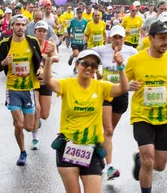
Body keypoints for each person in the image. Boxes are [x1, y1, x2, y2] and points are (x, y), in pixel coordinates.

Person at [43, 45, 129, 193]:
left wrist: (121, 67)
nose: (89, 68)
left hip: (92, 149)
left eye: (94, 65)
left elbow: (123, 88)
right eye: (85, 63)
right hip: (68, 146)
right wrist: (49, 59)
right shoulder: (67, 84)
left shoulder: (101, 86)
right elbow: (48, 81)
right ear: (77, 64)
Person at [127, 21, 167, 193]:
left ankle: (138, 159)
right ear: (150, 38)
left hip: (164, 117)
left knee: (159, 165)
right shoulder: (135, 60)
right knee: (149, 161)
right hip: (142, 115)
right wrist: (128, 84)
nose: (165, 42)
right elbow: (122, 83)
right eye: (161, 38)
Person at [0, 15, 42, 166]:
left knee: (28, 127)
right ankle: (22, 152)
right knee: (19, 124)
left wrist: (40, 68)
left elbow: (40, 59)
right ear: (11, 26)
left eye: (23, 25)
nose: (20, 27)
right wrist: (4, 62)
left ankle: (35, 122)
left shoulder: (32, 41)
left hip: (28, 89)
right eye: (17, 25)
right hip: (12, 88)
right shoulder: (5, 44)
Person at [93, 25, 137, 180]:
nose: (117, 40)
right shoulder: (101, 49)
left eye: (120, 37)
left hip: (121, 94)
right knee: (109, 131)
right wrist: (95, 72)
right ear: (109, 38)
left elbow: (139, 68)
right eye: (114, 37)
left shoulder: (131, 52)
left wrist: (132, 84)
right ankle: (110, 166)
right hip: (105, 94)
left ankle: (98, 147)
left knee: (108, 131)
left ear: (124, 38)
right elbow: (86, 57)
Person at [30, 21, 53, 150]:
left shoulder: (49, 45)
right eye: (39, 31)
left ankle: (36, 120)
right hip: (33, 81)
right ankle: (35, 138)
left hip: (46, 81)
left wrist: (47, 57)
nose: (41, 33)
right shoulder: (31, 45)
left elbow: (56, 57)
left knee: (44, 114)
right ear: (35, 32)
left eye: (44, 31)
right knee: (36, 110)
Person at [67, 8, 88, 73]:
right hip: (74, 40)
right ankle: (72, 56)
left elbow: (87, 31)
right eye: (78, 13)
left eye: (81, 13)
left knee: (80, 56)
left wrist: (86, 37)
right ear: (76, 14)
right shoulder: (73, 21)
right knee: (76, 54)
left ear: (82, 13)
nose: (79, 14)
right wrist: (70, 34)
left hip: (81, 41)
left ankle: (75, 68)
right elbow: (68, 28)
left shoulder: (85, 21)